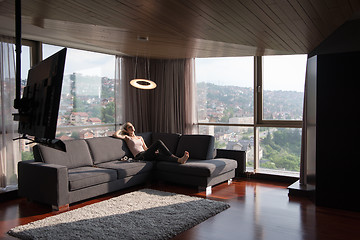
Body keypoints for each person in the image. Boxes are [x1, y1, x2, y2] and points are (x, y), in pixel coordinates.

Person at [113, 122, 189, 164]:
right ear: (126, 130)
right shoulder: (127, 138)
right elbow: (115, 135)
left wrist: (153, 150)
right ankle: (174, 156)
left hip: (146, 153)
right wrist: (121, 129)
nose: (132, 128)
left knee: (160, 156)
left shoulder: (140, 137)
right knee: (158, 142)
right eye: (129, 127)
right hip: (140, 156)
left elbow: (146, 148)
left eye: (132, 126)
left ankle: (180, 160)